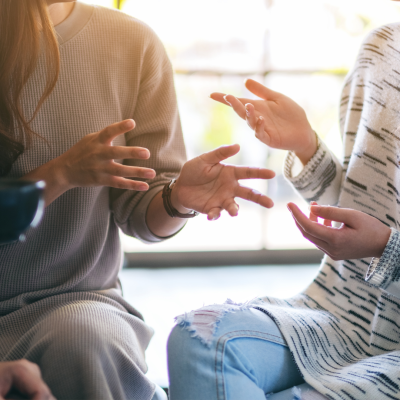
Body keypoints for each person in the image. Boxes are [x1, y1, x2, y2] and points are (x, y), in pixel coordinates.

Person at [0, 1, 276, 399]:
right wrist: (60, 174)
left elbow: (142, 218)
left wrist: (177, 198)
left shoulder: (133, 42)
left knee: (86, 337)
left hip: (75, 301)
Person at [167, 6, 400, 400]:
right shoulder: (382, 50)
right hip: (343, 313)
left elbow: (379, 237)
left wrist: (387, 247)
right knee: (199, 342)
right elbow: (360, 203)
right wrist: (305, 144)